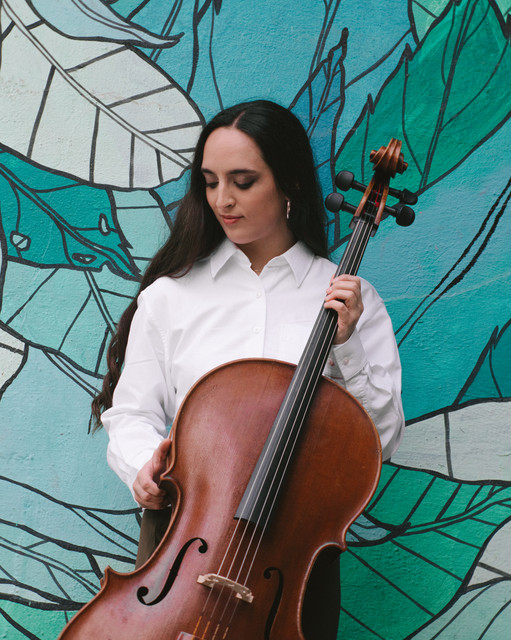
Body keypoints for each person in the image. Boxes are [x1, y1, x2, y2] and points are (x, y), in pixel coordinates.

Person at [92, 99, 404, 639]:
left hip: (292, 562)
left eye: (243, 181)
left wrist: (347, 344)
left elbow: (380, 442)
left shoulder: (351, 300)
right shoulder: (170, 296)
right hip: (181, 546)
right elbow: (131, 413)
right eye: (210, 182)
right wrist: (144, 468)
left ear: (290, 185)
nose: (223, 200)